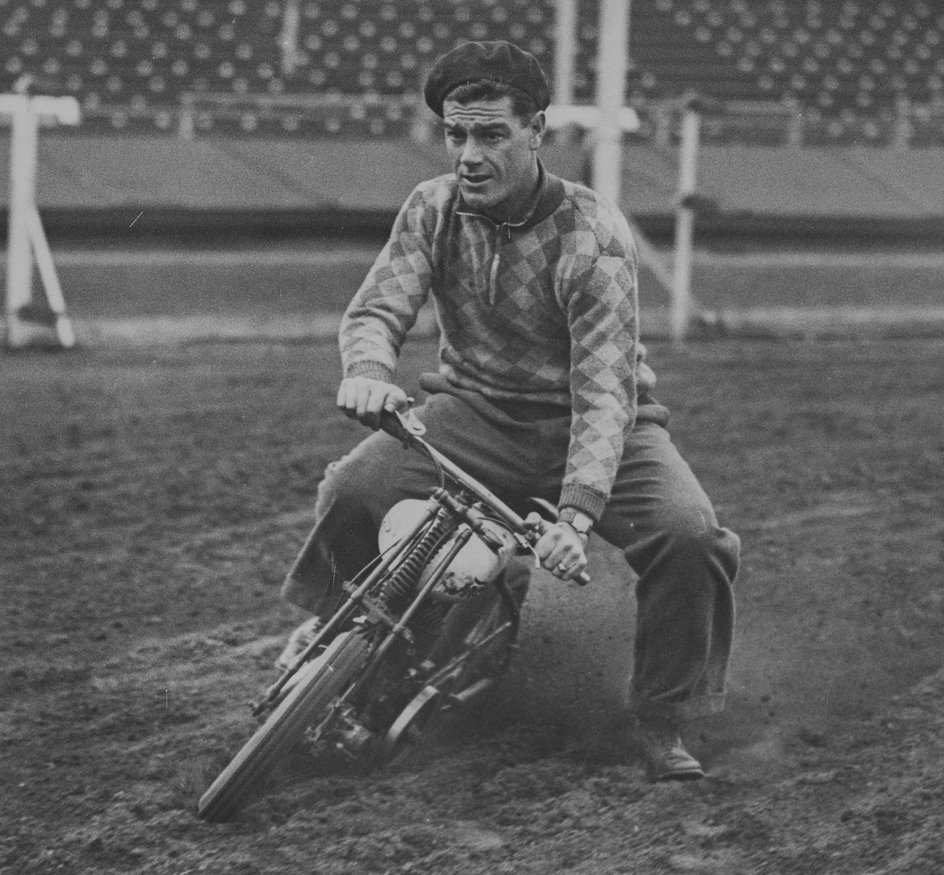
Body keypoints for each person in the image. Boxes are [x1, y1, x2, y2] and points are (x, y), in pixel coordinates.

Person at [278, 41, 740, 782]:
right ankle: (343, 639)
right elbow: (375, 310)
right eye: (456, 134)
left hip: (594, 426)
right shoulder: (431, 207)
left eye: (490, 134)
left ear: (536, 131)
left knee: (693, 538)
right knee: (352, 488)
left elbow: (602, 392)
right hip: (474, 410)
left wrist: (577, 514)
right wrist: (366, 372)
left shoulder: (593, 235)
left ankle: (662, 716)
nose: (468, 153)